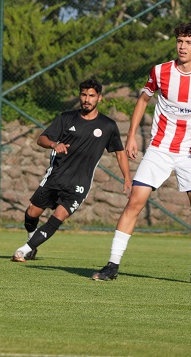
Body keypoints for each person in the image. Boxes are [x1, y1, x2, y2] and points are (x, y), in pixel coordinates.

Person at [92, 22, 191, 285]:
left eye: (188, 42)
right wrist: (131, 137)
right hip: (160, 149)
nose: (182, 46)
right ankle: (112, 265)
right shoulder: (160, 71)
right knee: (134, 201)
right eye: (180, 41)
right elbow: (143, 100)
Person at [11, 79, 130, 262]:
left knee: (58, 216)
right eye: (83, 95)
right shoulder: (66, 118)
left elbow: (120, 154)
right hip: (55, 176)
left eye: (91, 96)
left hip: (79, 184)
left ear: (99, 98)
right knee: (31, 213)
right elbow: (41, 139)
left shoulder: (108, 126)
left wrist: (127, 178)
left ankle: (24, 250)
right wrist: (54, 144)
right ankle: (31, 240)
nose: (87, 99)